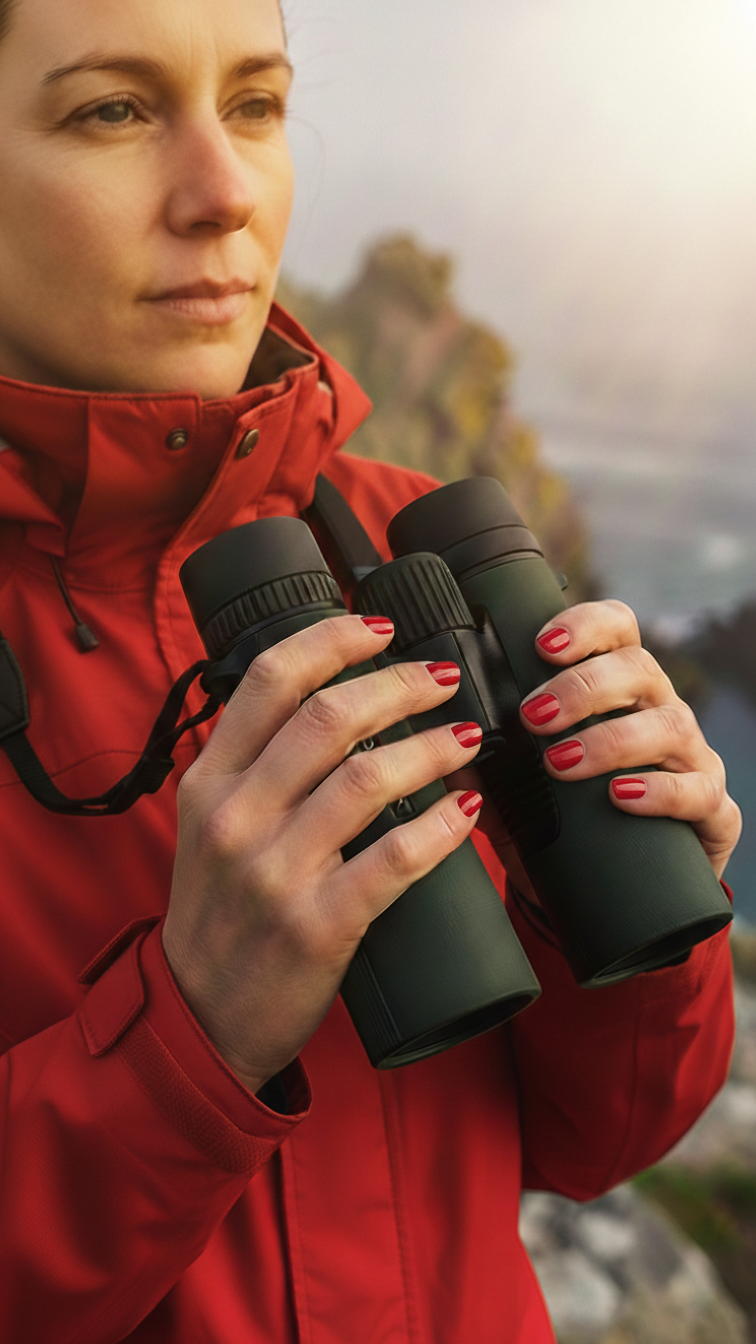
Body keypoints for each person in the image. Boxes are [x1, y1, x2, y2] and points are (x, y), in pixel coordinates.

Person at [0, 0, 742, 1339]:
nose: (224, 194)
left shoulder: (407, 543)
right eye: (112, 110)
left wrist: (637, 905)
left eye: (259, 104)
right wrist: (190, 1035)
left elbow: (602, 1137)